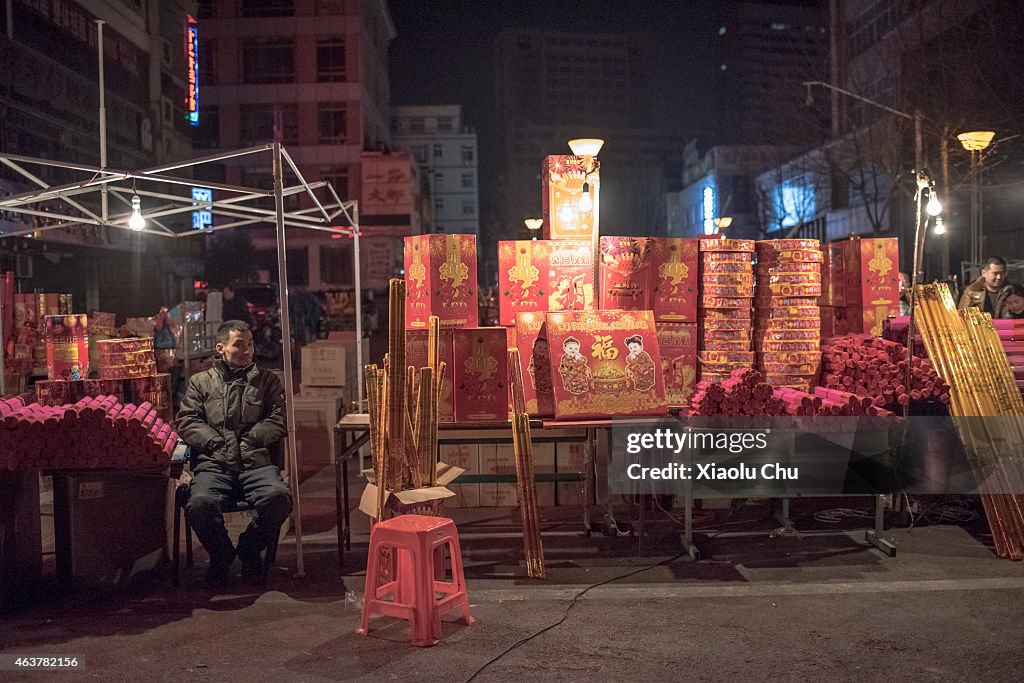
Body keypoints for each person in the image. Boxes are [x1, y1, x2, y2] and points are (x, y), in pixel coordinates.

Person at [176, 320, 291, 587]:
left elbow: (279, 418)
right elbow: (187, 421)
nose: (248, 351)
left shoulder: (267, 381)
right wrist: (216, 444)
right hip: (214, 466)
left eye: (250, 344)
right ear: (221, 348)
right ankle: (221, 555)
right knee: (199, 504)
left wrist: (251, 440)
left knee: (279, 498)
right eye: (239, 344)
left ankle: (249, 550)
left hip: (255, 465)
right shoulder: (200, 383)